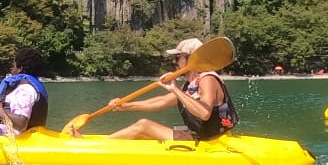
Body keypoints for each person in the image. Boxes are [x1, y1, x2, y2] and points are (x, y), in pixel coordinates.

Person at [92, 37, 239, 142]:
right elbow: (161, 101)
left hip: (210, 139)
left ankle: (97, 147)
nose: (173, 61)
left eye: (177, 57)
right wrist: (124, 105)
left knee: (143, 125)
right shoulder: (190, 84)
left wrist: (175, 89)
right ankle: (108, 141)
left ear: (191, 59)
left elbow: (205, 113)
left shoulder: (208, 80)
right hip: (200, 136)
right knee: (143, 130)